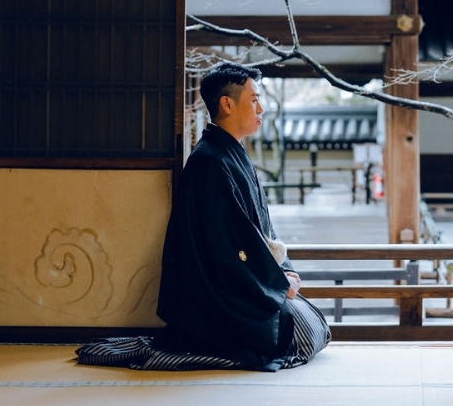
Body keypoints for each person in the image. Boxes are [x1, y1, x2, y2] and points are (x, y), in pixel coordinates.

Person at [77, 62, 329, 371]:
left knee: (311, 323)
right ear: (227, 104)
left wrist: (282, 275)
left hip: (248, 281)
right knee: (297, 332)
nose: (261, 107)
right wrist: (276, 284)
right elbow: (225, 248)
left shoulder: (232, 154)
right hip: (217, 296)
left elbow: (261, 230)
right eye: (253, 99)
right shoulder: (209, 162)